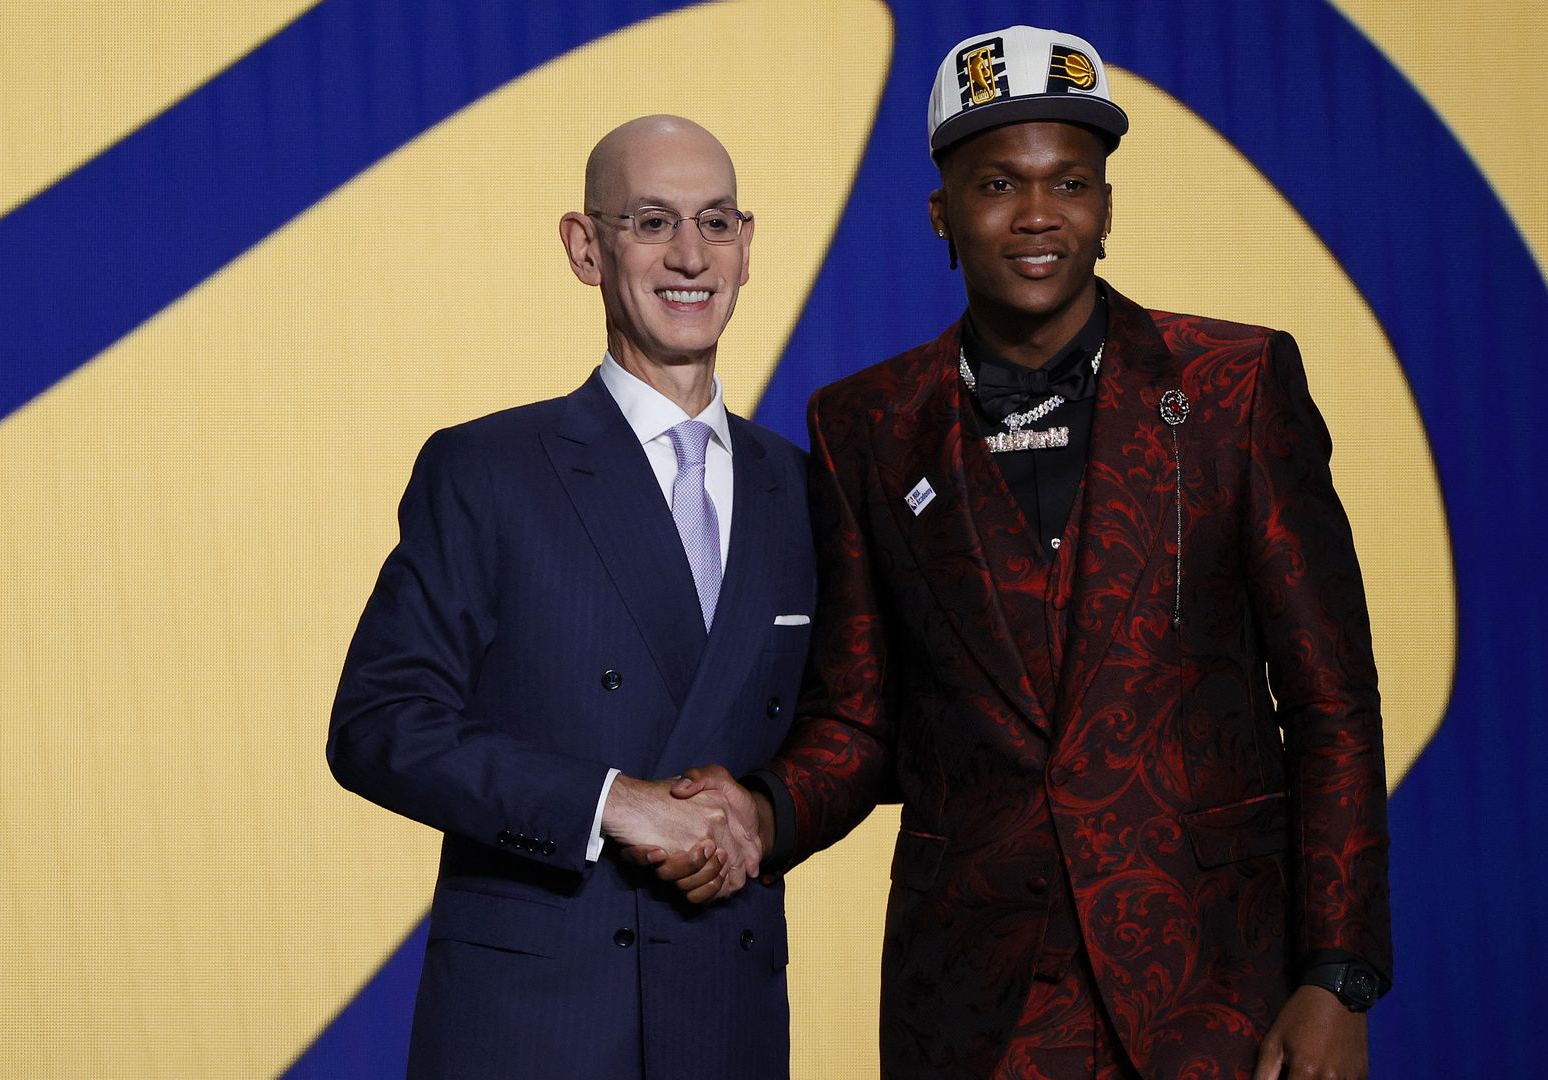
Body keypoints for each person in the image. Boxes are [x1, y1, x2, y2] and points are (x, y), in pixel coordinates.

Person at [668, 26, 1392, 1079]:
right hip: (971, 999)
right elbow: (863, 715)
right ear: (942, 216)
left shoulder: (1236, 386)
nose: (1039, 215)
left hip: (1216, 987)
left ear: (1108, 208)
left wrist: (1338, 975)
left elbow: (1331, 701)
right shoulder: (865, 425)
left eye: (1071, 183)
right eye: (998, 183)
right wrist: (760, 810)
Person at [326, 114, 810, 1080]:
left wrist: (763, 814)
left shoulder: (800, 487)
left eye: (716, 223)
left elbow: (852, 728)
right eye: (651, 221)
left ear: (747, 249)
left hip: (726, 1014)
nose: (689, 255)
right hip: (534, 1023)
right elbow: (379, 724)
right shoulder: (488, 468)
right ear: (587, 248)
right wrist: (610, 804)